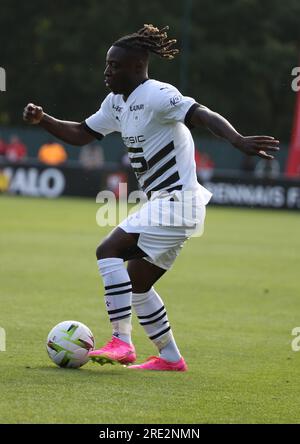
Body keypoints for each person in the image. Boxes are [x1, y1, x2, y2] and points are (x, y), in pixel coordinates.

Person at [23, 24, 279, 372]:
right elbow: (82, 133)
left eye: (114, 65)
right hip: (168, 204)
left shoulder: (158, 94)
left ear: (136, 65)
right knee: (137, 285)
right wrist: (44, 120)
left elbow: (202, 114)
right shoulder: (116, 103)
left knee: (107, 250)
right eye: (107, 65)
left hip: (178, 201)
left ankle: (122, 342)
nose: (107, 71)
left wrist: (237, 140)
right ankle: (170, 357)